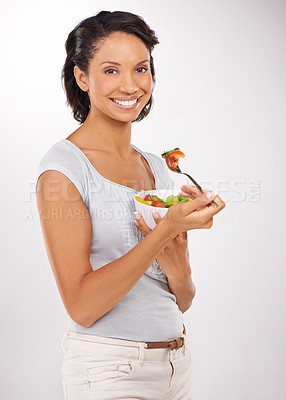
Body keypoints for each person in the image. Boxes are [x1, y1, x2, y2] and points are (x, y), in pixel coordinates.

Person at [36, 10, 225, 400]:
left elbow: (183, 299)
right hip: (110, 371)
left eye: (141, 69)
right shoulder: (64, 170)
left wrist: (178, 240)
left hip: (175, 366)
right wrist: (165, 231)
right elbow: (82, 307)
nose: (130, 85)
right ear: (82, 77)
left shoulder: (156, 167)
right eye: (110, 70)